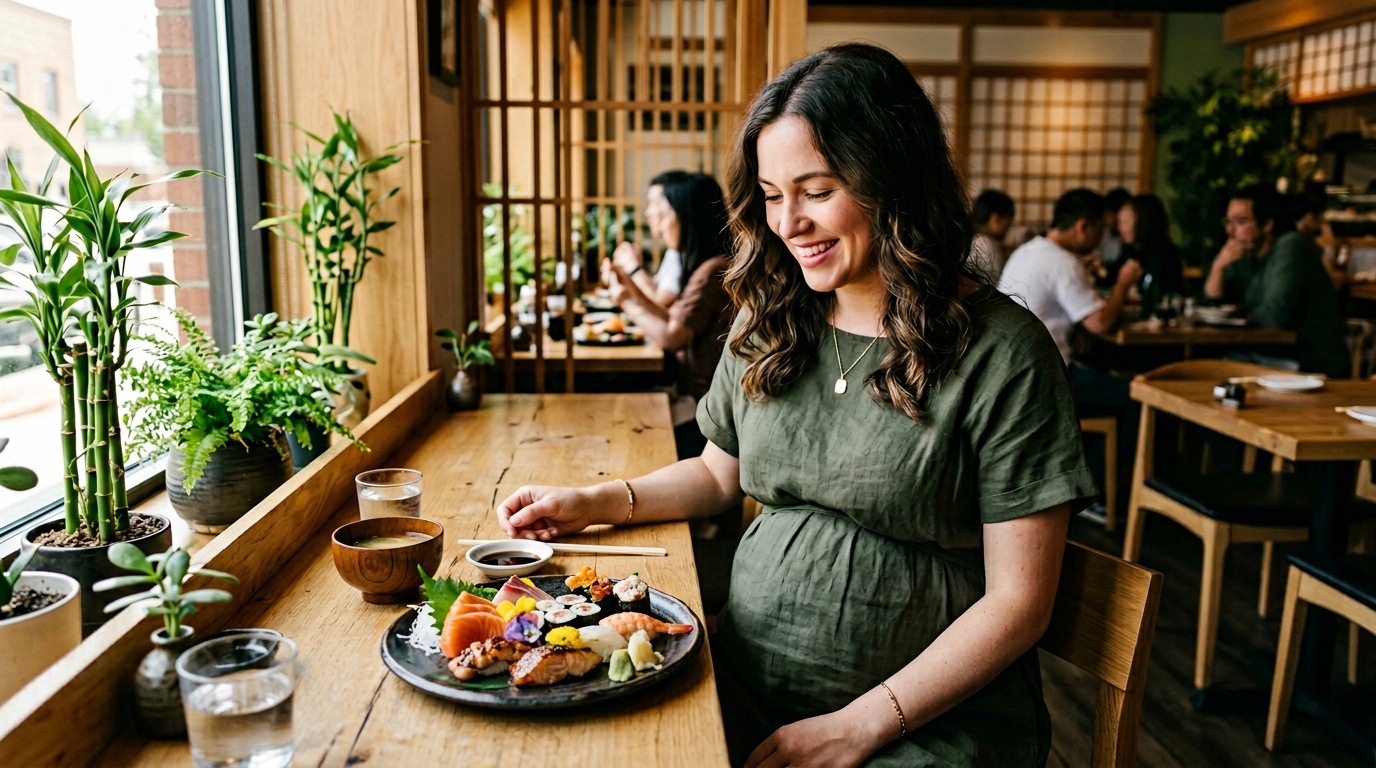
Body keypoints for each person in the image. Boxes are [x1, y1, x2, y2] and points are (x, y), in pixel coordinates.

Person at [497, 44, 1096, 767]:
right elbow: (718, 476)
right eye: (772, 196)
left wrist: (862, 725)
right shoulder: (772, 315)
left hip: (923, 726)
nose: (788, 223)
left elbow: (1019, 604)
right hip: (739, 683)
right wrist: (592, 501)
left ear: (893, 180)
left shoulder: (1003, 352)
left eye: (816, 191)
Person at [998, 189, 1142, 512]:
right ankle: (1098, 494)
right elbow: (1101, 323)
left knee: (1103, 377)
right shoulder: (1062, 262)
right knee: (1136, 398)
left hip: (1010, 371)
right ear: (1082, 227)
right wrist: (1122, 283)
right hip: (1046, 377)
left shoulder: (1029, 250)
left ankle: (1081, 477)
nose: (1103, 238)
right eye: (1101, 230)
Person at [608, 172, 733, 460]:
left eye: (663, 213)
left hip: (704, 409)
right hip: (692, 396)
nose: (656, 221)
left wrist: (627, 298)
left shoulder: (714, 271)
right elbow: (669, 316)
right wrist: (629, 289)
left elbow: (672, 337)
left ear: (687, 215)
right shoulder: (703, 265)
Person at [1204, 185, 1348, 378]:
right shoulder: (1245, 255)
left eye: (1240, 222)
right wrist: (1218, 267)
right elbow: (1214, 303)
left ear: (1267, 225)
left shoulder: (1291, 246)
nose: (1230, 231)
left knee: (1215, 369)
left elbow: (1274, 316)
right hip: (1270, 356)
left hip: (1310, 364)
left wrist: (1239, 313)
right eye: (1228, 221)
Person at [610, 169, 693, 308]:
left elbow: (661, 301)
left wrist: (633, 267)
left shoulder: (683, 250)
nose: (648, 212)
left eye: (654, 203)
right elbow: (659, 289)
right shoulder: (673, 251)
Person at [1118, 193, 1185, 304]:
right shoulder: (1130, 252)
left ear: (1143, 221)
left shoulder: (1165, 254)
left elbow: (1169, 293)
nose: (1120, 228)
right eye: (1119, 222)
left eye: (1125, 222)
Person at [970, 189, 1015, 282]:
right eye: (1008, 225)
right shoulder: (987, 246)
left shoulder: (973, 240)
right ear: (995, 219)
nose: (1008, 230)